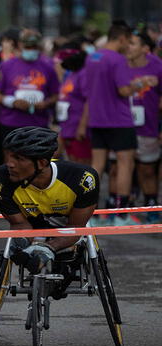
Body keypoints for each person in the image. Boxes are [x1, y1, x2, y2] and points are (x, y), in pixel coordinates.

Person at [0, 127, 99, 279]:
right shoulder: (0, 179)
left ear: (41, 163)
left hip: (68, 225)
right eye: (8, 157)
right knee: (18, 246)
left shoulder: (82, 179)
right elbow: (19, 224)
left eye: (18, 159)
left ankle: (50, 257)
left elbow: (76, 227)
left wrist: (48, 248)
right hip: (31, 225)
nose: (10, 164)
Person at [80, 21, 156, 226]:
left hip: (97, 119)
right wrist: (140, 83)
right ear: (121, 38)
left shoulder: (93, 57)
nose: (128, 45)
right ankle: (121, 214)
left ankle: (90, 212)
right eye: (128, 41)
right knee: (125, 164)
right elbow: (123, 90)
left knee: (96, 166)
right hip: (118, 120)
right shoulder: (117, 59)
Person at [0, 30, 60, 166]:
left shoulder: (48, 67)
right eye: (27, 47)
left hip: (37, 123)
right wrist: (12, 102)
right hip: (10, 122)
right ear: (20, 45)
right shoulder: (7, 65)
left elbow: (56, 94)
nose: (30, 50)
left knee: (34, 163)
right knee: (10, 162)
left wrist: (46, 103)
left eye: (34, 47)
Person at [125, 29, 162, 224]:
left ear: (145, 48)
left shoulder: (157, 67)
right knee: (121, 169)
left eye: (133, 43)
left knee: (147, 170)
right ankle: (124, 208)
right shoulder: (120, 65)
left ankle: (152, 206)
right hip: (121, 126)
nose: (128, 47)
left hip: (148, 126)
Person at [55, 44, 90, 165]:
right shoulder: (71, 74)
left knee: (81, 164)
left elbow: (89, 100)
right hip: (67, 127)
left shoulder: (84, 74)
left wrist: (82, 126)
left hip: (78, 128)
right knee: (71, 162)